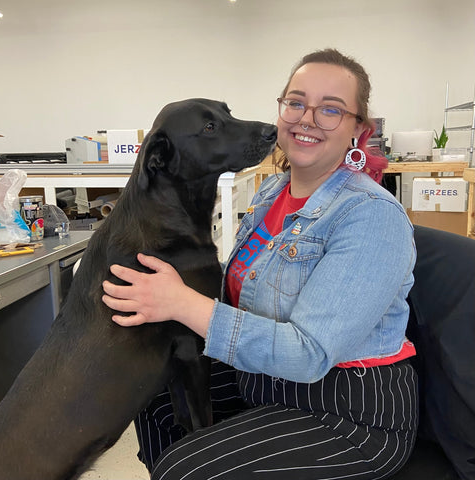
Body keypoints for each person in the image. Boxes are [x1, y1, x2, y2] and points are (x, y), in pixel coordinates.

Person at [102, 48, 418, 480]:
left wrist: (181, 304)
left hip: (348, 411)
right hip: (267, 381)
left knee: (188, 470)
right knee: (152, 393)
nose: (306, 118)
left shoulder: (370, 215)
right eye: (296, 101)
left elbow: (308, 355)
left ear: (357, 130)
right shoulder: (272, 193)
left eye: (330, 109)